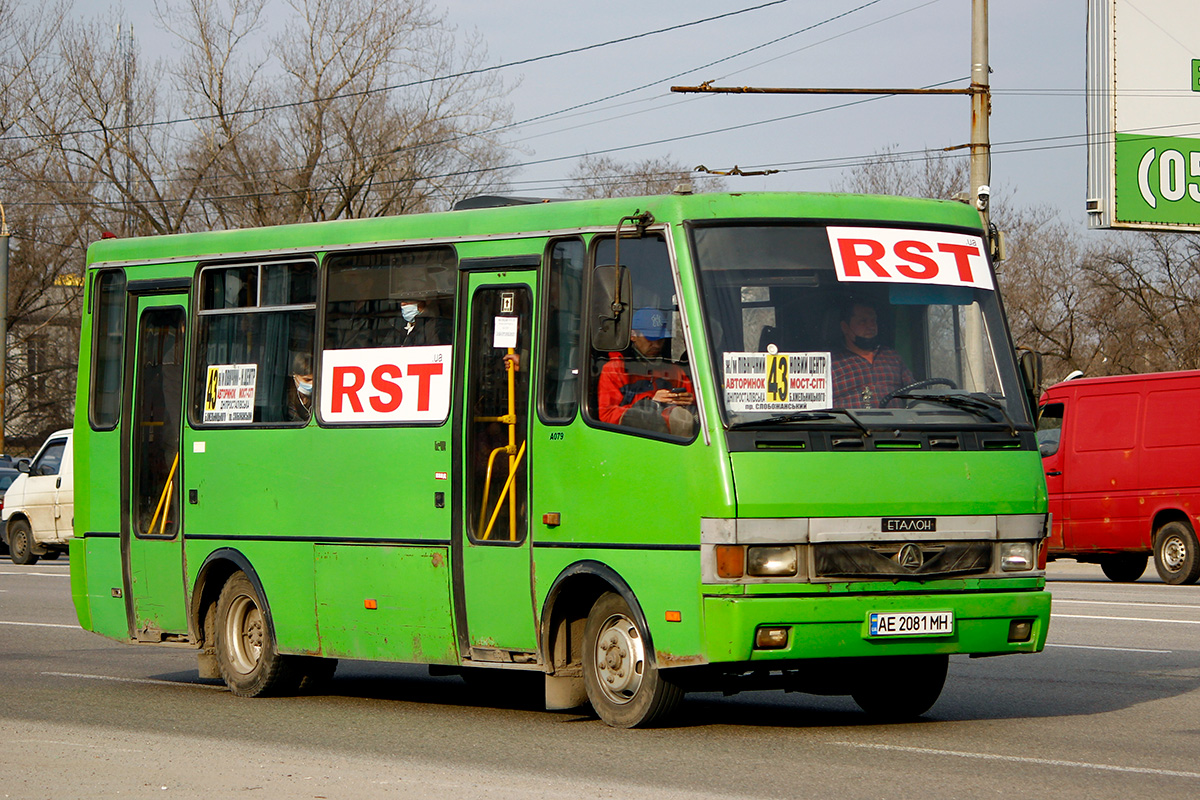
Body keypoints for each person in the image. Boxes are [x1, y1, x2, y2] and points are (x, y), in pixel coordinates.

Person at [598, 308, 696, 435]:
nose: (656, 345)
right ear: (633, 335)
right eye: (650, 338)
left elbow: (695, 412)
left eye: (660, 339)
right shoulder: (615, 369)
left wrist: (690, 401)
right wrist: (651, 403)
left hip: (673, 440)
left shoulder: (675, 371)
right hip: (630, 439)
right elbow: (607, 415)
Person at [830, 299, 914, 409]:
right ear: (845, 327)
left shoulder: (892, 356)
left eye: (873, 321)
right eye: (863, 321)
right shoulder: (831, 363)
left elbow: (914, 392)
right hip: (847, 425)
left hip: (894, 424)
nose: (871, 326)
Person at [286, 352, 314, 421]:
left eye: (315, 380)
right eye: (307, 380)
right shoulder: (286, 399)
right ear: (295, 376)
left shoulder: (320, 398)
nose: (312, 384)